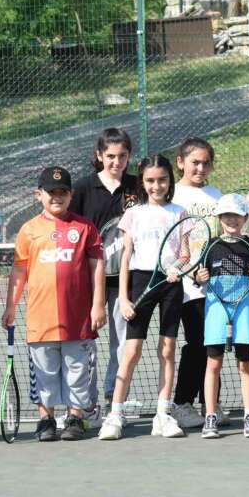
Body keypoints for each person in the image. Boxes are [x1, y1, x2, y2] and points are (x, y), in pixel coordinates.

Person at [2, 166, 106, 442]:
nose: (56, 197)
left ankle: (76, 418)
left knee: (77, 371)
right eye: (51, 192)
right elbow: (19, 272)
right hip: (41, 320)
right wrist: (11, 306)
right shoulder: (28, 230)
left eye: (62, 192)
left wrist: (98, 304)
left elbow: (97, 267)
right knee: (44, 372)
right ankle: (45, 419)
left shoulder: (85, 228)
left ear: (71, 195)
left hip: (78, 319)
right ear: (39, 195)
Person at [100, 155, 188, 440]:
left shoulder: (179, 212)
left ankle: (162, 414)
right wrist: (124, 299)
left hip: (170, 285)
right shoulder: (134, 214)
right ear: (142, 183)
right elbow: (125, 258)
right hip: (140, 283)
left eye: (162, 179)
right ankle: (114, 415)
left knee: (167, 350)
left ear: (169, 181)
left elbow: (185, 252)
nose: (157, 185)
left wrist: (177, 267)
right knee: (131, 351)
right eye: (150, 180)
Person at [69, 127, 138, 410]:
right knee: (86, 343)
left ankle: (114, 398)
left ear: (128, 156)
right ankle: (88, 403)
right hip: (89, 279)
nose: (116, 162)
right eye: (110, 156)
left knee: (122, 343)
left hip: (125, 279)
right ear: (99, 155)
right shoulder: (84, 188)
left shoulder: (136, 186)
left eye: (122, 156)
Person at [196, 194, 249, 439]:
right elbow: (197, 277)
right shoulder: (210, 245)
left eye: (236, 215)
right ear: (219, 218)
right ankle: (210, 416)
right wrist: (200, 278)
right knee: (213, 363)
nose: (231, 219)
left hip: (244, 307)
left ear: (245, 218)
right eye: (226, 215)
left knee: (245, 363)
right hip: (216, 305)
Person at [170, 137, 223, 430]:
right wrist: (189, 271)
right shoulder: (174, 196)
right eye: (194, 162)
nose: (200, 168)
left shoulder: (216, 195)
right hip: (188, 286)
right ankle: (181, 403)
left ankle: (210, 404)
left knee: (213, 343)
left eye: (205, 163)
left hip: (217, 286)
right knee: (197, 343)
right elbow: (176, 241)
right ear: (180, 163)